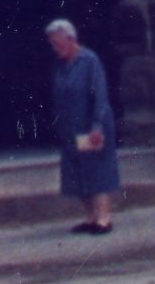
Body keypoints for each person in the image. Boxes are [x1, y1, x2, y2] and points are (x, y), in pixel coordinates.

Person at [48, 17, 121, 236]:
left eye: (57, 43)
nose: (54, 48)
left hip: (91, 126)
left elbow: (100, 95)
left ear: (70, 39)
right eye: (52, 44)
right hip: (71, 127)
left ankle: (103, 218)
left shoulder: (89, 60)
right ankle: (90, 217)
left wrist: (97, 126)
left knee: (97, 171)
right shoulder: (61, 65)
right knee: (78, 173)